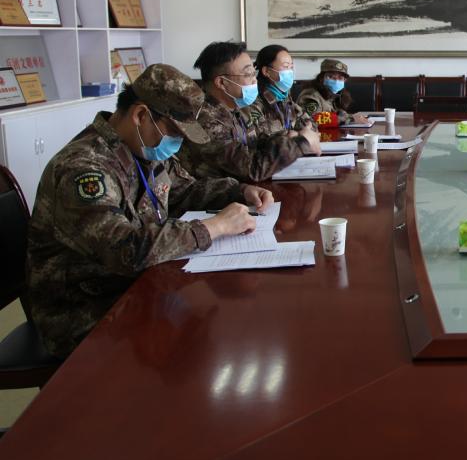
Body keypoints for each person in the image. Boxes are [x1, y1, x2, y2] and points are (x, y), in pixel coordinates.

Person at [25, 64, 273, 358]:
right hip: (85, 312)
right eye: (174, 132)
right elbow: (125, 249)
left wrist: (239, 191)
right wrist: (215, 227)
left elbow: (182, 191)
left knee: (230, 322)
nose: (177, 144)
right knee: (201, 349)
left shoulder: (141, 148)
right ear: (141, 115)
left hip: (136, 287)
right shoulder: (84, 168)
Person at [177, 41, 321, 182]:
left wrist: (288, 137)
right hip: (220, 195)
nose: (255, 81)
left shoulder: (234, 109)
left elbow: (255, 144)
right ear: (221, 82)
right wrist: (302, 142)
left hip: (245, 190)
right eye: (247, 74)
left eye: (253, 73)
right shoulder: (205, 120)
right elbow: (252, 168)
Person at [250, 45, 316, 135]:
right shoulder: (255, 101)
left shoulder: (284, 98)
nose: (290, 72)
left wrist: (306, 129)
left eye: (291, 67)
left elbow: (311, 125)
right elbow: (259, 139)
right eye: (285, 66)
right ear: (266, 71)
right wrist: (295, 136)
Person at [297, 59, 369, 125]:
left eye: (340, 78)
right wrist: (350, 119)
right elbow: (312, 119)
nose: (336, 81)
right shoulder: (311, 95)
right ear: (321, 78)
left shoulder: (335, 95)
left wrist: (351, 117)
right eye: (331, 77)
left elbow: (335, 115)